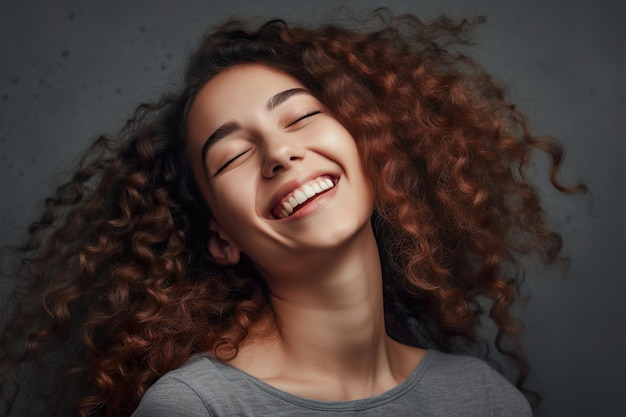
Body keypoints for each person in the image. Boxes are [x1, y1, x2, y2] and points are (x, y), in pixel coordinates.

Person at [0, 10, 583, 417]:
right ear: (221, 237)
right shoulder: (197, 409)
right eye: (233, 156)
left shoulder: (486, 402)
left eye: (300, 118)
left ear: (372, 154)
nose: (279, 153)